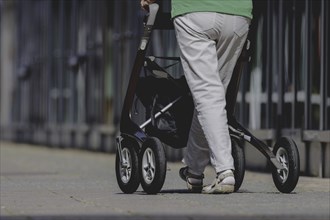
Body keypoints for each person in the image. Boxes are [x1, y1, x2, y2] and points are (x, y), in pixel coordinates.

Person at [140, 0, 252, 194]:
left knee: (207, 96)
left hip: (195, 12)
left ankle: (225, 170)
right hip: (238, 14)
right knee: (212, 97)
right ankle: (194, 171)